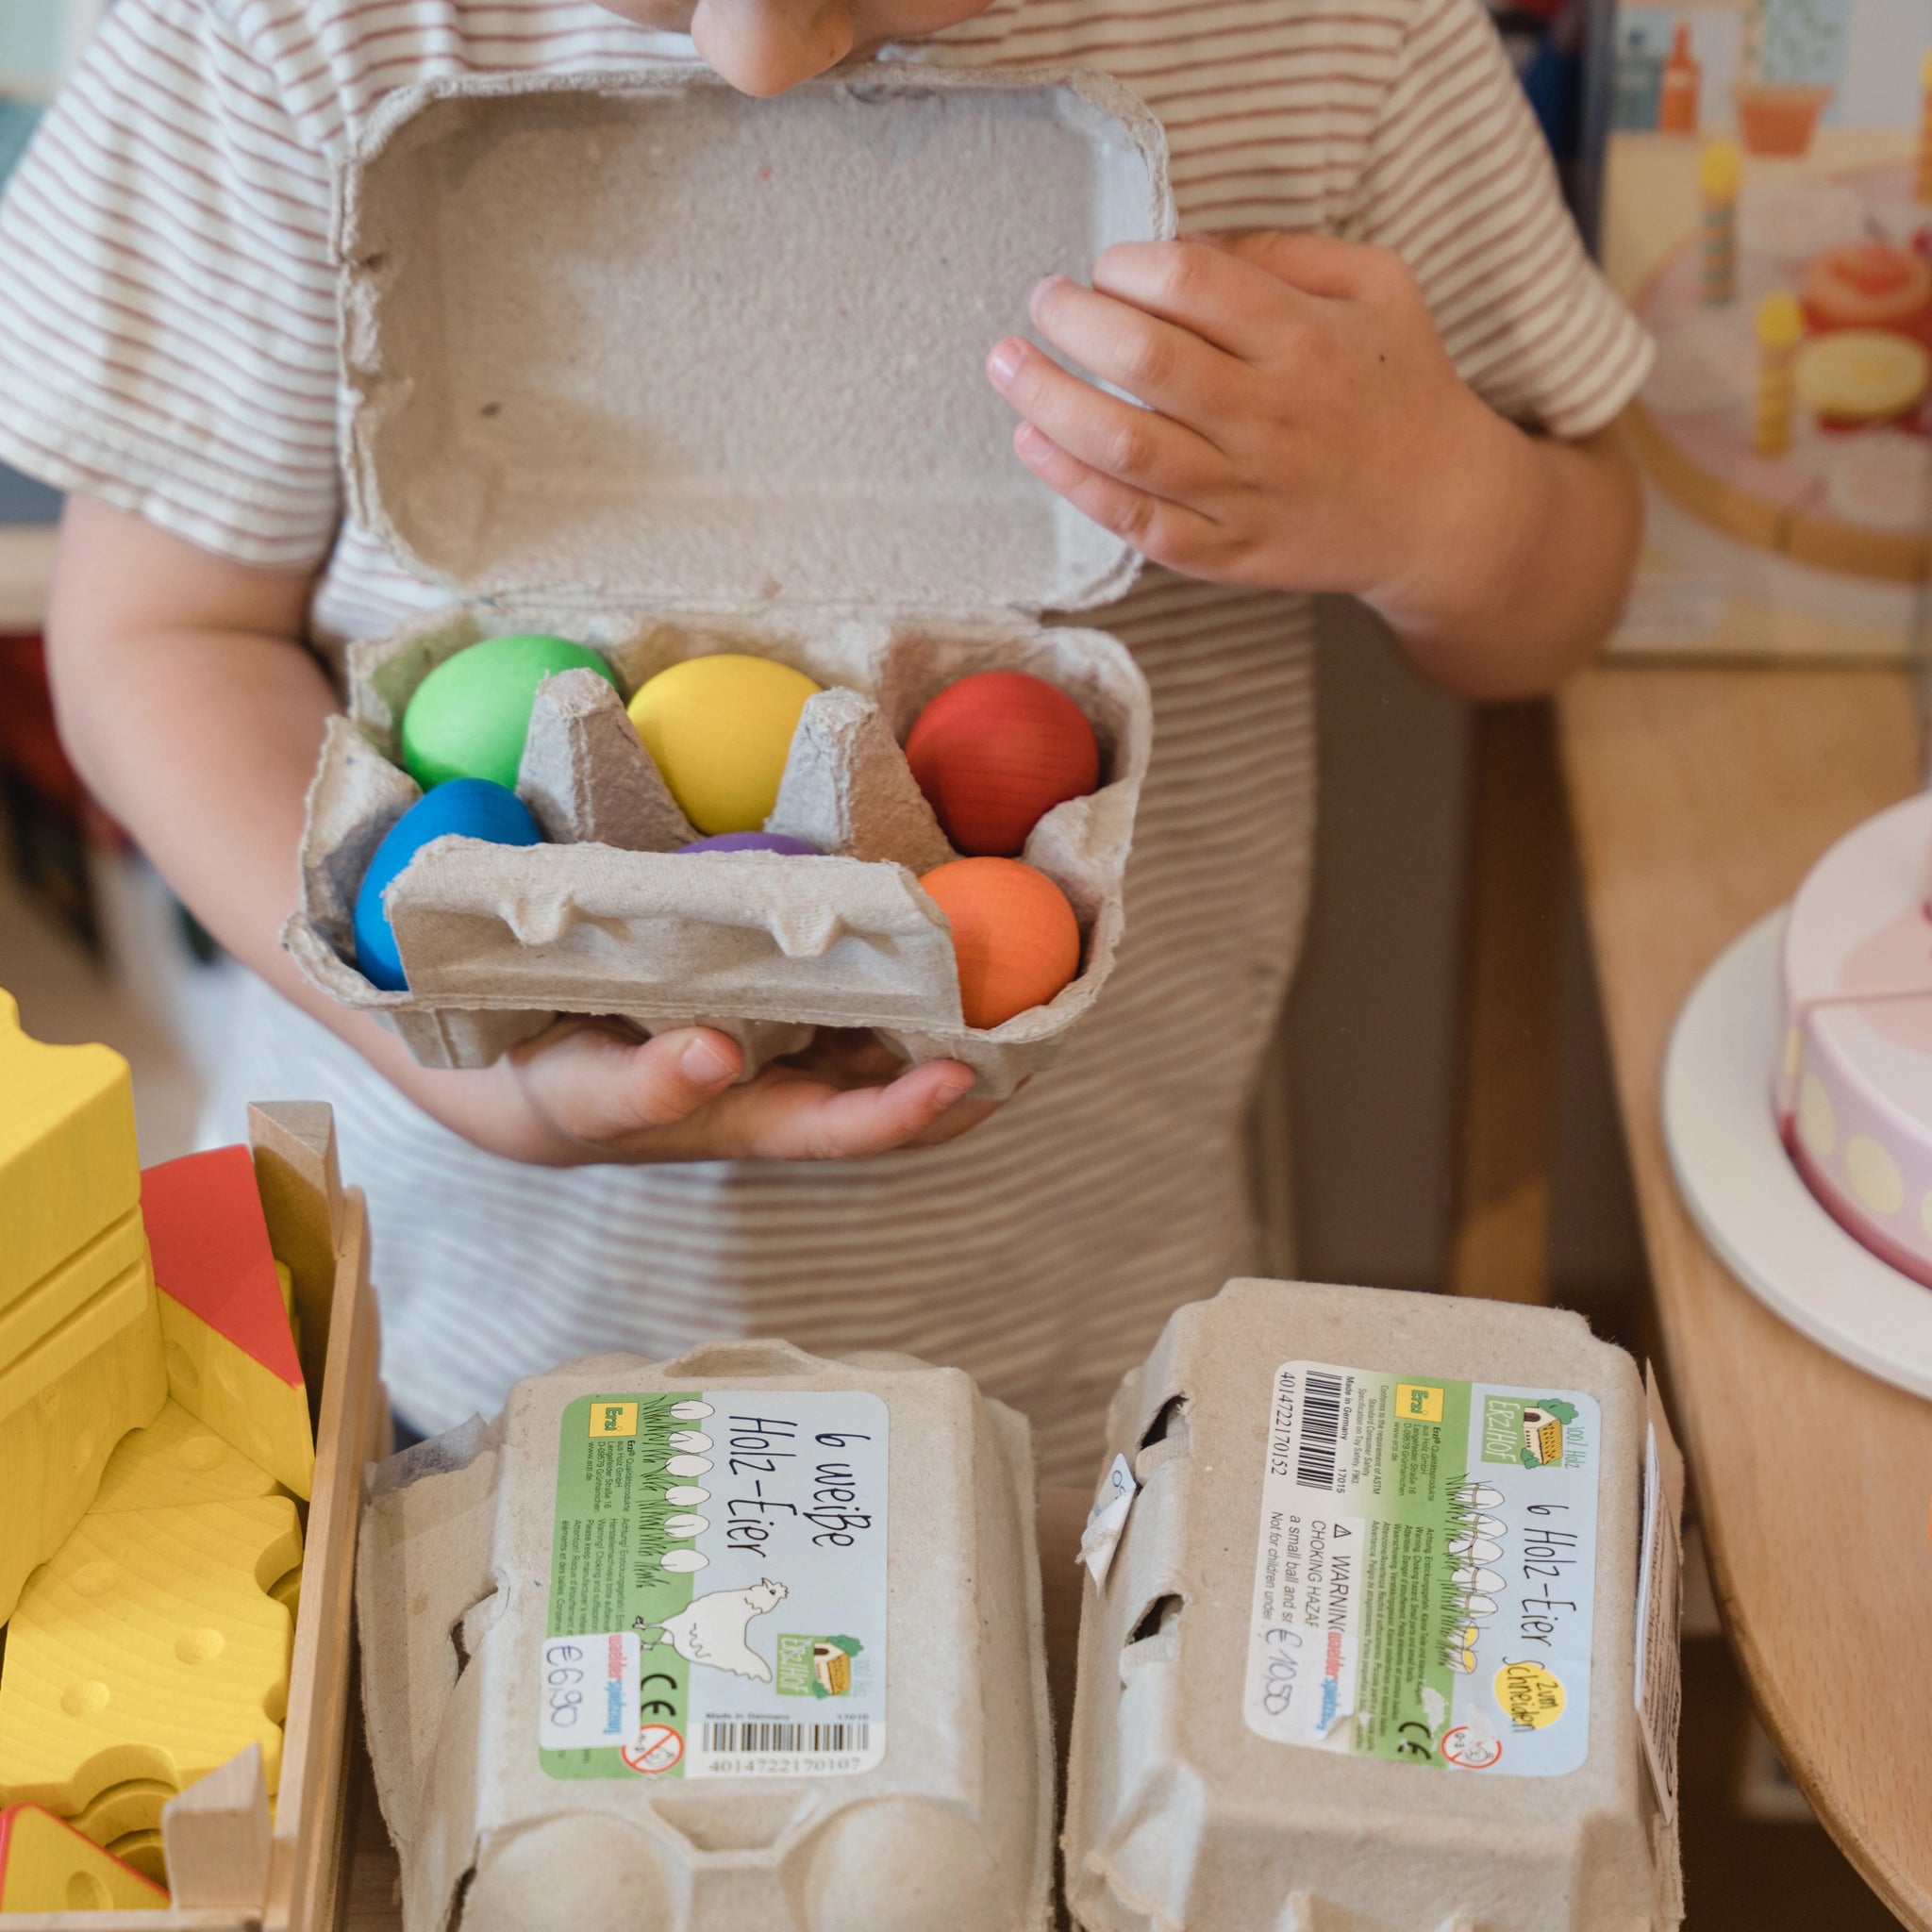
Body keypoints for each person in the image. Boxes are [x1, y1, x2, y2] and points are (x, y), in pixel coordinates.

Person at [0, 0, 1647, 1480]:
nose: (763, 57)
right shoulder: (275, 30)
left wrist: (1433, 502)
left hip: (1074, 1328)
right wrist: (465, 1076)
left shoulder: (1333, 38)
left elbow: (1562, 598)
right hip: (426, 1299)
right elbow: (158, 636)